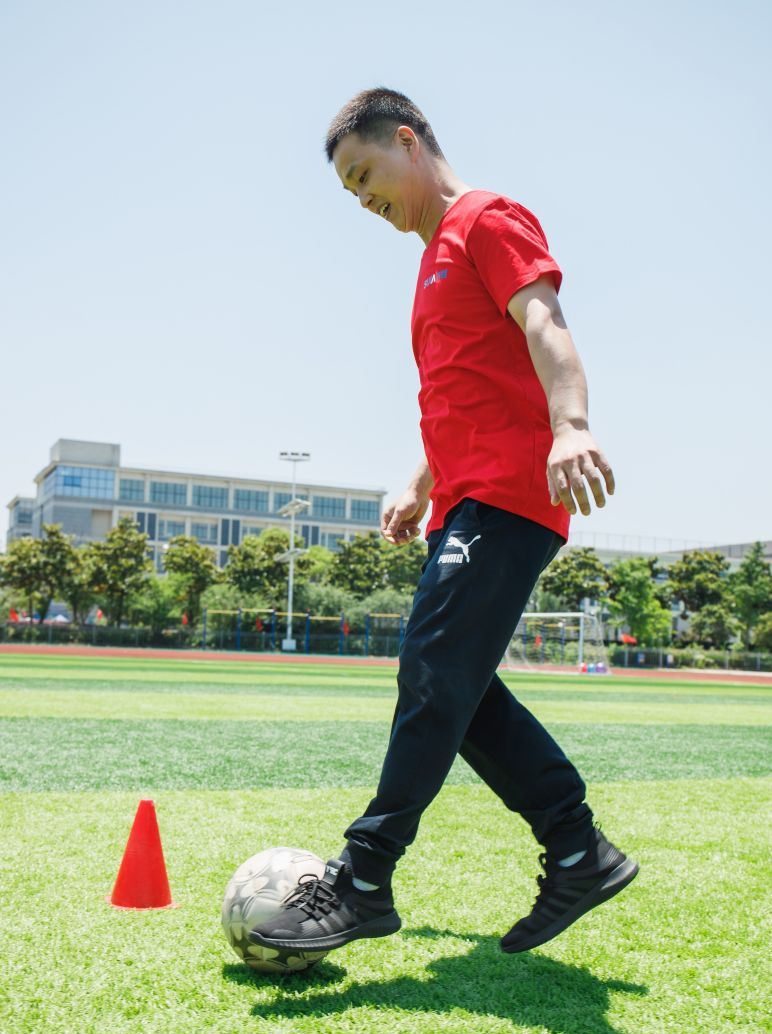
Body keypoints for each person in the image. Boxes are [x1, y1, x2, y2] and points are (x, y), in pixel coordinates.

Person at [249, 87, 638, 958]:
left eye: (365, 173)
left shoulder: (488, 220)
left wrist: (571, 424)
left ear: (407, 139)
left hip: (506, 496)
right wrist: (422, 479)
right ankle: (579, 852)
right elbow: (464, 387)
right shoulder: (429, 262)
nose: (362, 197)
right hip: (463, 500)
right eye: (348, 189)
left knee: (433, 673)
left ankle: (363, 877)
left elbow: (545, 323)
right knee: (453, 687)